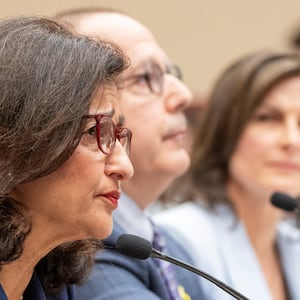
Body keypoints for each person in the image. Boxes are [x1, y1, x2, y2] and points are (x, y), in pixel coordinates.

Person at [55, 7, 205, 300]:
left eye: (172, 74)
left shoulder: (171, 246)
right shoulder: (83, 247)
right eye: (146, 77)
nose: (183, 96)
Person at [0, 15, 134, 300]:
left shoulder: (56, 286)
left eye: (119, 136)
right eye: (93, 132)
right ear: (10, 142)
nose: (125, 167)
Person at [155, 50, 300, 300]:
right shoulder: (177, 240)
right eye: (267, 118)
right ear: (225, 132)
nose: (292, 140)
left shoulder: (291, 243)